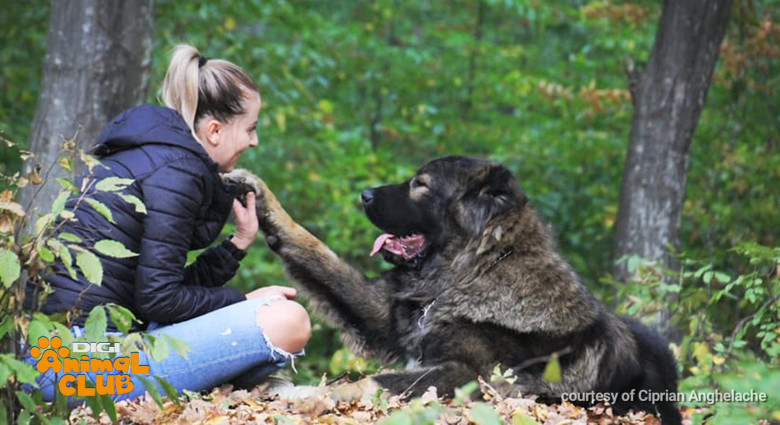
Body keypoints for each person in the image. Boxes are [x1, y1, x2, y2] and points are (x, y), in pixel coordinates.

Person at [24, 44, 311, 404]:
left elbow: (155, 293)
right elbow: (160, 300)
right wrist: (243, 300)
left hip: (55, 357)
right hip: (72, 366)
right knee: (288, 322)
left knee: (259, 340)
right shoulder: (177, 171)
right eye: (250, 128)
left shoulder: (156, 157)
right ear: (215, 131)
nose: (254, 141)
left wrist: (237, 244)